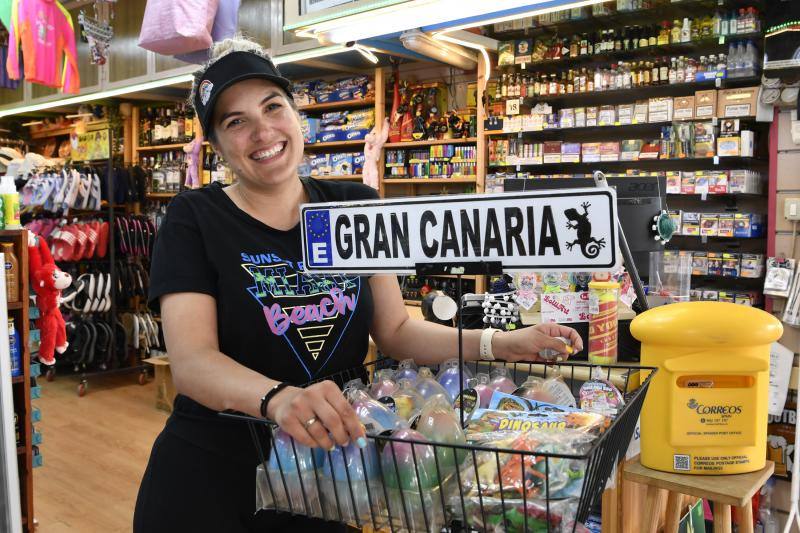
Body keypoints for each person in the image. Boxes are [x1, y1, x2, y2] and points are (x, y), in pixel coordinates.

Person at [133, 36, 583, 533]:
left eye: (272, 107)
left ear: (296, 115)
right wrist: (279, 398)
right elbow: (193, 363)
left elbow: (394, 330)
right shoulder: (194, 217)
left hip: (332, 470)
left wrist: (498, 342)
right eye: (235, 121)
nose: (262, 131)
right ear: (217, 145)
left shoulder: (353, 205)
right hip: (213, 475)